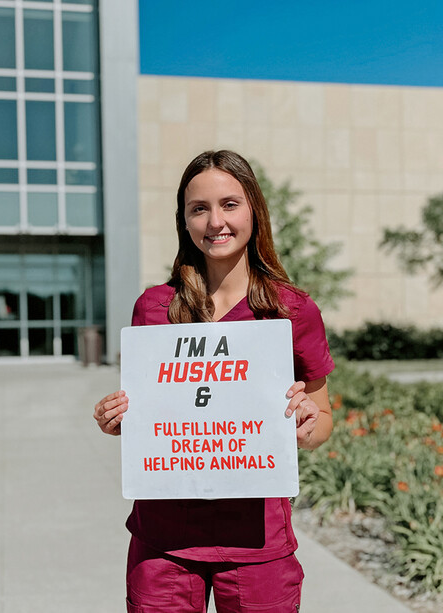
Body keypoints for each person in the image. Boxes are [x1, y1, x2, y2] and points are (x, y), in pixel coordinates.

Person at [93, 150, 335, 612]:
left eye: (229, 204)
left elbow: (322, 420)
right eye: (198, 208)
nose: (214, 221)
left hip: (256, 544)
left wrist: (306, 425)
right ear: (183, 221)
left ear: (254, 212)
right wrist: (118, 417)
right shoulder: (152, 308)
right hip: (164, 542)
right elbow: (149, 412)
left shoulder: (293, 311)